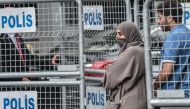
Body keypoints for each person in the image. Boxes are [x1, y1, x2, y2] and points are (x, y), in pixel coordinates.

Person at [103, 21, 147, 109]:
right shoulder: (140, 49)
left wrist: (110, 68)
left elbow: (109, 78)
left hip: (130, 102)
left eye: (120, 34)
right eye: (116, 34)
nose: (117, 37)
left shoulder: (133, 51)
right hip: (138, 99)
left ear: (130, 34)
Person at [154, 1, 190, 98]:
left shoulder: (173, 36)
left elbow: (167, 71)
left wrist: (154, 86)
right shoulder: (187, 32)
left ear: (169, 18)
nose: (157, 21)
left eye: (160, 17)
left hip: (175, 92)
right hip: (185, 91)